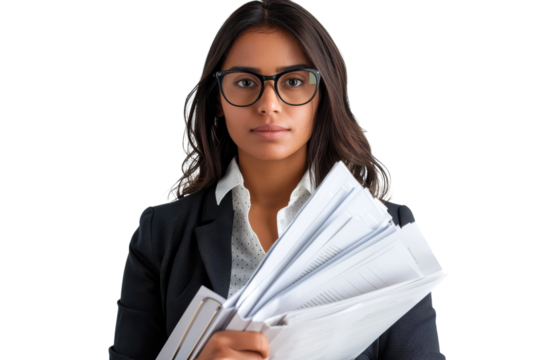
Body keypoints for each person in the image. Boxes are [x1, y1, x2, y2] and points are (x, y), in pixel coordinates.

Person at [109, 0, 444, 359]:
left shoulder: (384, 230)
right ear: (218, 99)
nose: (269, 104)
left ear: (323, 95)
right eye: (245, 82)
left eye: (295, 81)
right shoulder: (161, 235)